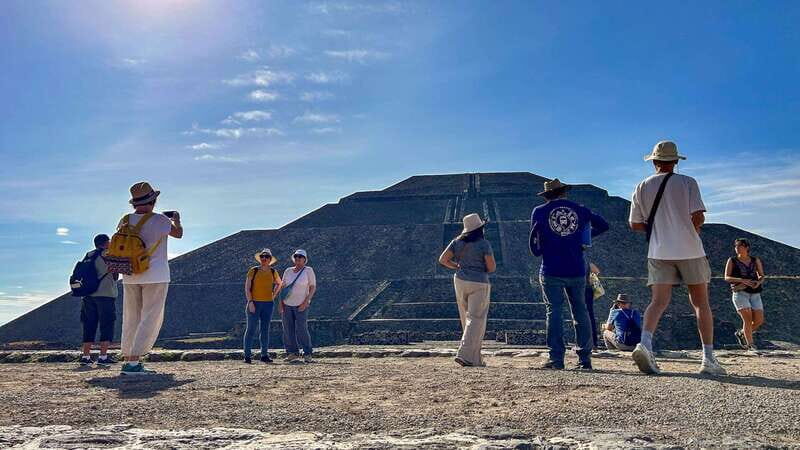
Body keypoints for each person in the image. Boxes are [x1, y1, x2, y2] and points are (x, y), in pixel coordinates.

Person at [629, 141, 726, 376]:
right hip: (690, 249)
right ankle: (708, 358)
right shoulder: (688, 183)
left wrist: (659, 228)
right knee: (700, 303)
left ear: (654, 162)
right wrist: (687, 230)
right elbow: (698, 217)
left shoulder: (641, 186)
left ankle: (645, 344)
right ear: (675, 162)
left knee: (658, 301)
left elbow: (635, 224)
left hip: (659, 251)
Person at [530, 178, 609, 370]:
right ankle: (584, 359)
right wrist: (582, 239)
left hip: (551, 269)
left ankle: (556, 359)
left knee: (554, 312)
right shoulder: (580, 209)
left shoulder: (539, 212)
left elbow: (534, 240)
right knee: (580, 312)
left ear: (547, 195)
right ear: (564, 192)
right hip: (576, 268)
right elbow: (603, 225)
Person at [118, 182, 183, 375]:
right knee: (149, 317)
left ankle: (129, 358)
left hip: (129, 273)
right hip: (155, 274)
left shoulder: (125, 219)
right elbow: (178, 234)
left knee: (131, 317)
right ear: (153, 200)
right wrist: (177, 220)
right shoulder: (161, 220)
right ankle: (134, 362)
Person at [438, 213, 497, 367]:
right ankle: (464, 353)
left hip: (460, 280)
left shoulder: (456, 242)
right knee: (476, 319)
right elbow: (491, 268)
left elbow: (443, 259)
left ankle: (475, 359)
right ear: (480, 229)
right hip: (479, 282)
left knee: (467, 320)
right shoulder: (484, 244)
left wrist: (456, 266)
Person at [79, 234, 119, 367]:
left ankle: (85, 356)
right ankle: (103, 356)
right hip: (106, 294)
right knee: (106, 324)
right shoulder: (108, 254)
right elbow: (115, 275)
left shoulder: (89, 255)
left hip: (88, 295)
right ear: (106, 243)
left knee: (89, 325)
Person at [724, 238, 765, 350]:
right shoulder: (732, 260)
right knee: (747, 319)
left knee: (759, 320)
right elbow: (727, 277)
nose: (737, 248)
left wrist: (758, 282)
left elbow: (761, 275)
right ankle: (750, 345)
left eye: (739, 246)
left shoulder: (755, 260)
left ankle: (742, 333)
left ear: (746, 247)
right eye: (736, 246)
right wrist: (742, 280)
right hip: (740, 292)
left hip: (755, 293)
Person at [243, 248, 282, 364]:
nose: (264, 258)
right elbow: (247, 287)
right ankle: (247, 355)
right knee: (250, 329)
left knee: (265, 330)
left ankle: (264, 354)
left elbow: (279, 283)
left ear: (270, 259)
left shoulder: (273, 272)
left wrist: (273, 295)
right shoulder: (253, 271)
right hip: (254, 303)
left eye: (266, 257)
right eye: (262, 256)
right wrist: (250, 302)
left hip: (268, 304)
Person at [277, 249, 316, 363]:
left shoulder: (308, 270)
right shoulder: (288, 271)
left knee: (302, 329)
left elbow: (312, 287)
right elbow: (283, 287)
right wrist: (280, 303)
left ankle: (307, 353)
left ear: (305, 259)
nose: (298, 258)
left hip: (301, 304)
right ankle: (292, 353)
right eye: (296, 256)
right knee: (288, 329)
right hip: (287, 304)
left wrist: (306, 301)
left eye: (300, 257)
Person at [584, 262, 602, 349]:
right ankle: (593, 342)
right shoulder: (587, 262)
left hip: (580, 290)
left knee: (581, 316)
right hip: (588, 289)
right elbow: (597, 271)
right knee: (590, 316)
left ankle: (584, 343)